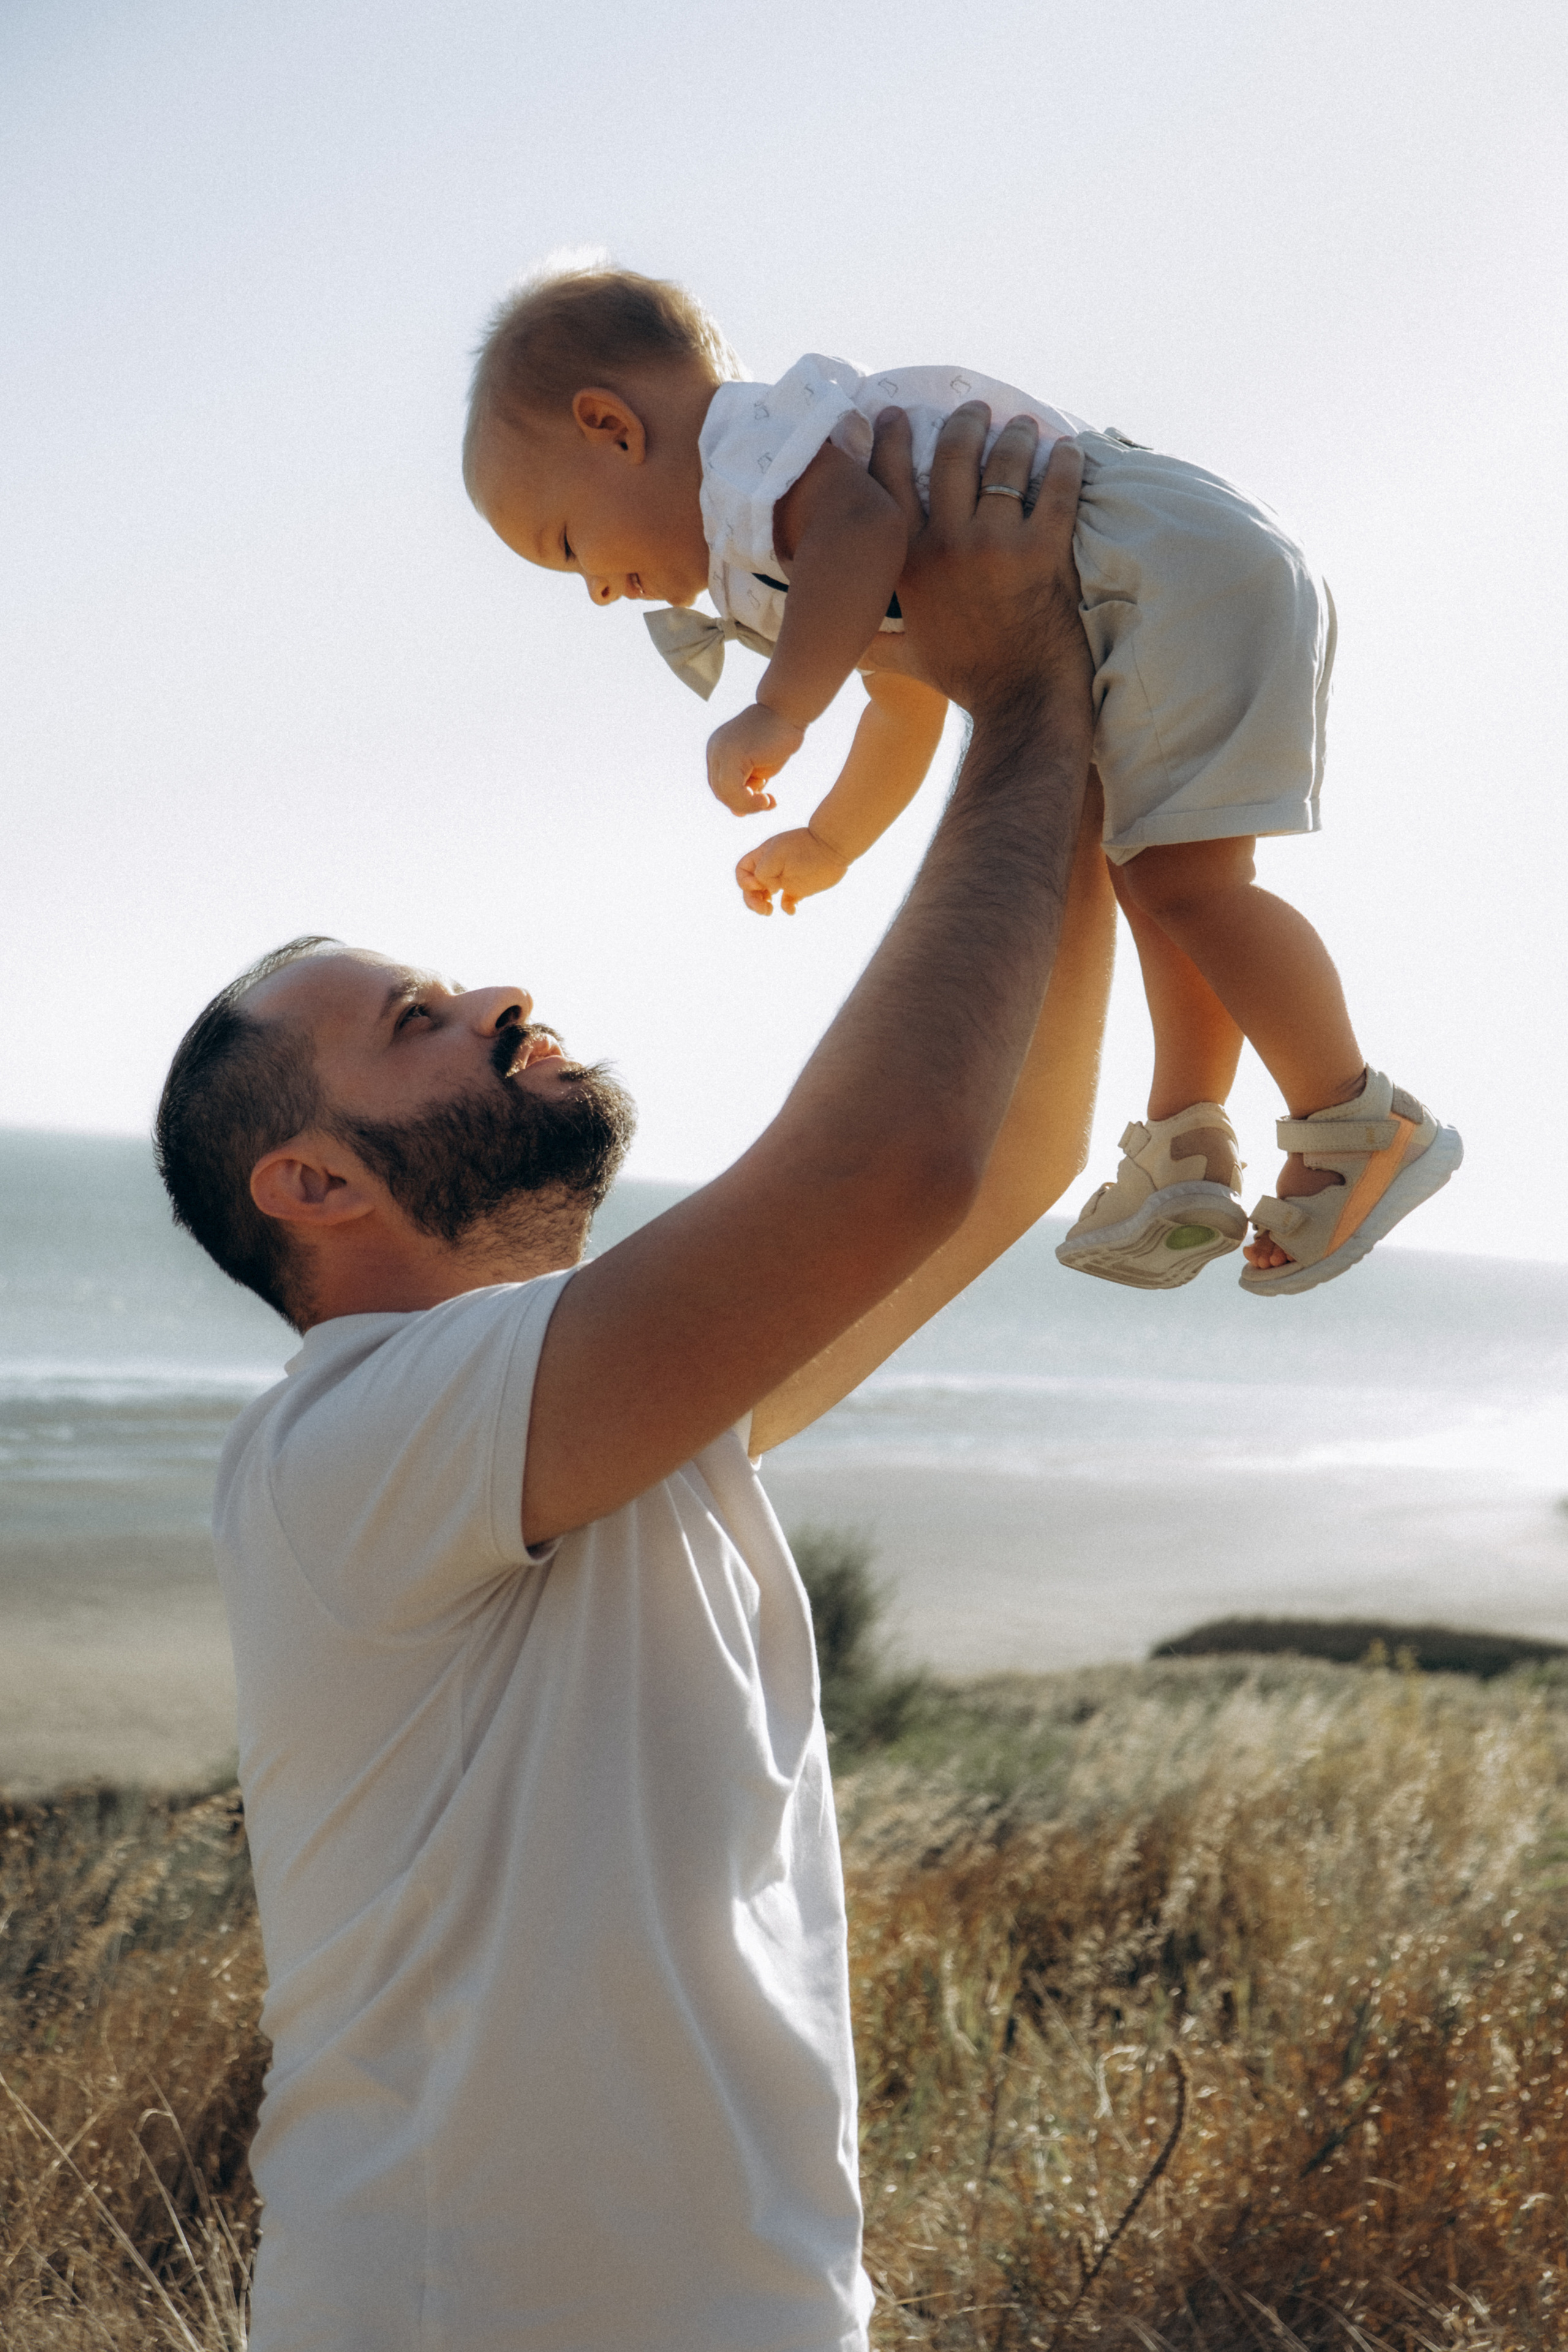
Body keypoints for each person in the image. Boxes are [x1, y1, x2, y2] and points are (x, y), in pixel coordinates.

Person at [155, 407, 1115, 2352]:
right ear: (317, 1184)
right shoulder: (357, 1442)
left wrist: (1083, 712)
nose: (501, 993)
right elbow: (897, 1169)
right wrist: (1012, 709)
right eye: (418, 1024)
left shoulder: (612, 1432)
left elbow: (999, 1163)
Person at [462, 261, 1461, 1297]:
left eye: (569, 543)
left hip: (1151, 560)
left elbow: (864, 534)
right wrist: (835, 839)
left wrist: (779, 708)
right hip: (1163, 562)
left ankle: (1356, 1118)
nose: (592, 591)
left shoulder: (749, 457)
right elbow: (908, 691)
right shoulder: (780, 504)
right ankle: (1188, 1136)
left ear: (611, 426)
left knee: (1189, 887)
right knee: (1158, 877)